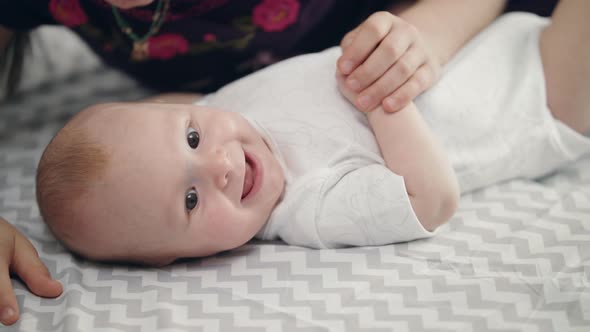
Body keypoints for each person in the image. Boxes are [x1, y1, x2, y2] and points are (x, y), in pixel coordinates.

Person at [0, 0, 564, 326]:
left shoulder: (225, 111)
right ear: (171, 260)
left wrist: (416, 41)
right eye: (191, 201)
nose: (218, 167)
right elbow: (433, 201)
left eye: (194, 139)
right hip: (542, 102)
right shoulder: (305, 206)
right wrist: (382, 96)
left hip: (471, 29)